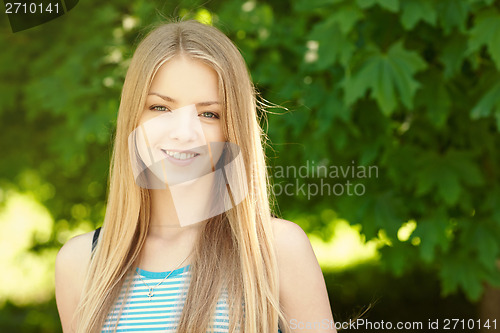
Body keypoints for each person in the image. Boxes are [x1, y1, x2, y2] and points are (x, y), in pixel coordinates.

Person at [55, 20, 335, 333]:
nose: (184, 132)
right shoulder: (81, 263)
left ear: (233, 130)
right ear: (133, 118)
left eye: (208, 114)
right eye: (160, 108)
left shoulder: (274, 249)